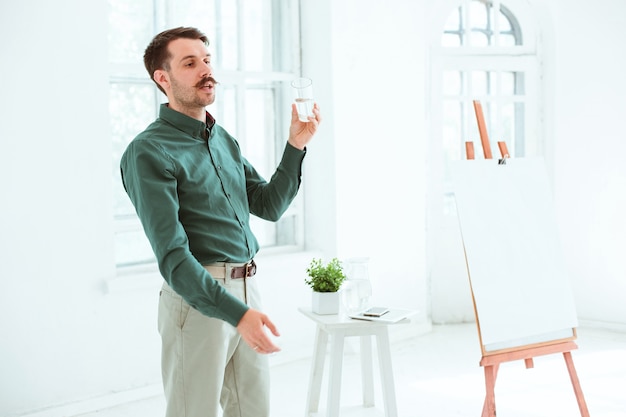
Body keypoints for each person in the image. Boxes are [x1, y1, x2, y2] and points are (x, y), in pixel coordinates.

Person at [120, 26, 321, 417]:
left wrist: (296, 144)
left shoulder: (222, 139)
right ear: (163, 78)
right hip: (198, 301)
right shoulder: (148, 151)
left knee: (253, 411)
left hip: (248, 291)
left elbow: (269, 205)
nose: (205, 70)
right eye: (190, 63)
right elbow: (173, 257)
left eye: (207, 60)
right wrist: (236, 314)